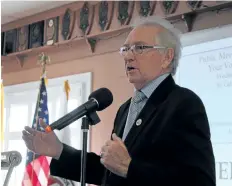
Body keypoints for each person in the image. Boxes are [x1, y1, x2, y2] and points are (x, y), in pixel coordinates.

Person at [22, 16, 216, 186]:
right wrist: (58, 151)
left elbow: (200, 181)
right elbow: (109, 172)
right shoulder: (126, 108)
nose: (128, 56)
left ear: (167, 57)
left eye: (139, 48)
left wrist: (130, 168)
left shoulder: (184, 104)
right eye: (126, 49)